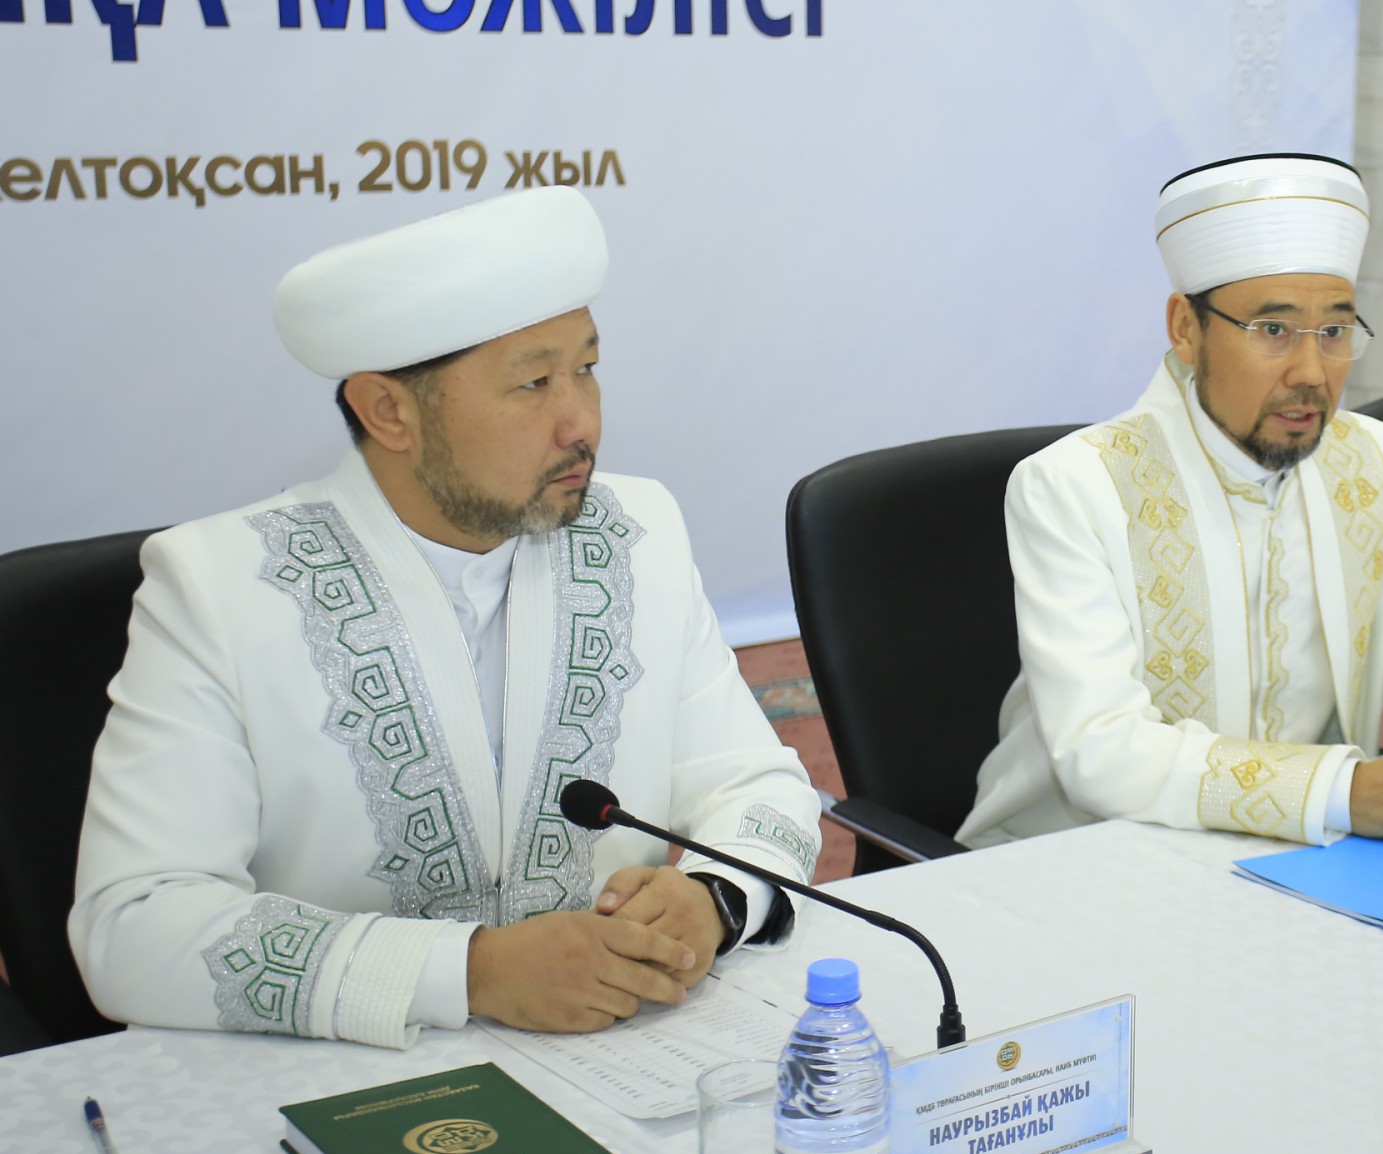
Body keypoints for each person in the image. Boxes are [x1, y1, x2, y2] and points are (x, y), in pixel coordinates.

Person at [69, 188, 822, 1046]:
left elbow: (758, 784)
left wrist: (715, 899)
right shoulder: (218, 586)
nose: (581, 421)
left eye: (587, 369)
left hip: (630, 1048)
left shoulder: (635, 531)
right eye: (533, 383)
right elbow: (135, 925)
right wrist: (469, 972)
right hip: (348, 1078)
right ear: (388, 411)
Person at [959, 153, 1383, 850]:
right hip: (1077, 856)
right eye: (1273, 331)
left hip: (1301, 850)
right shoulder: (1077, 484)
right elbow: (1102, 749)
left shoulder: (1365, 458)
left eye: (1334, 332)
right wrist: (1340, 791)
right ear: (1186, 329)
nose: (1311, 372)